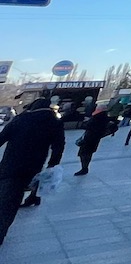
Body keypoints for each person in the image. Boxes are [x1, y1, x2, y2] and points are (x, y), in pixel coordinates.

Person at [0, 98, 65, 245]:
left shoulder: (20, 119)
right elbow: (58, 146)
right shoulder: (54, 123)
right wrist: (52, 164)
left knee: (5, 199)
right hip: (31, 168)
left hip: (8, 166)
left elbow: (1, 138)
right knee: (11, 202)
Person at [74, 108, 113, 176]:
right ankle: (85, 168)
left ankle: (84, 168)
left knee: (84, 153)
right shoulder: (104, 118)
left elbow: (88, 126)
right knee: (88, 153)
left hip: (89, 138)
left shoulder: (96, 118)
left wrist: (86, 121)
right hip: (95, 139)